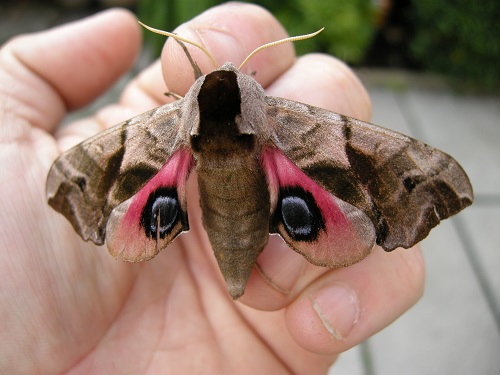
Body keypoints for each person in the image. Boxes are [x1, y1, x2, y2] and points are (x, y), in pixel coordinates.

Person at [0, 4, 424, 374]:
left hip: (196, 202)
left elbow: (83, 176)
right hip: (257, 212)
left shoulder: (161, 128)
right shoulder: (289, 121)